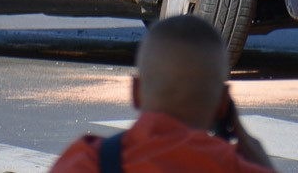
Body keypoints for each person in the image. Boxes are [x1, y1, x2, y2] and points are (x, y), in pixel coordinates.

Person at [50, 15, 276, 172]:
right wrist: (253, 150)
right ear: (223, 104)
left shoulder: (86, 162)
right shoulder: (233, 167)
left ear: (135, 92)